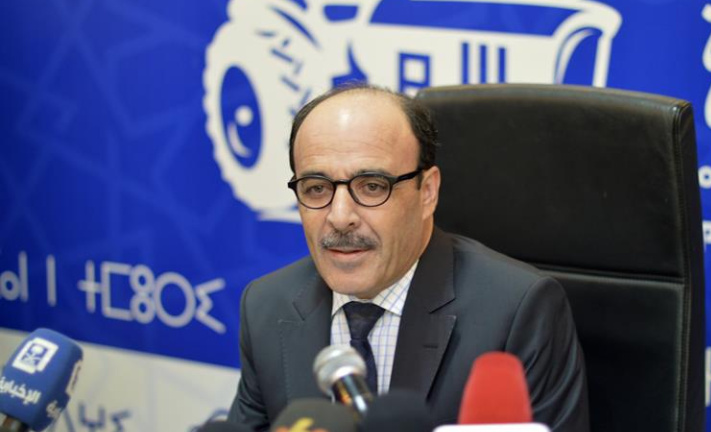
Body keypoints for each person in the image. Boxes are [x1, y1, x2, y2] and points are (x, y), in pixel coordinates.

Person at [228, 83, 589, 431]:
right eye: (316, 188)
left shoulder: (516, 312)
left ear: (427, 192)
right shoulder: (266, 306)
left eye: (372, 186)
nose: (339, 216)